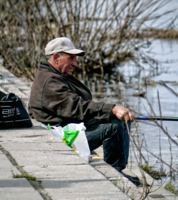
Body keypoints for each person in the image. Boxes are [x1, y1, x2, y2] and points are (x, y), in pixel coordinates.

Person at [28, 37, 133, 171]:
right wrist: (111, 108)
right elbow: (77, 107)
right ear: (56, 58)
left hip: (68, 126)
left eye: (75, 59)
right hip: (61, 136)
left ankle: (118, 168)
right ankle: (115, 171)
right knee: (113, 127)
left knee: (120, 118)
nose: (75, 64)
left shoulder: (55, 74)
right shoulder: (50, 82)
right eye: (71, 58)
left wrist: (111, 111)